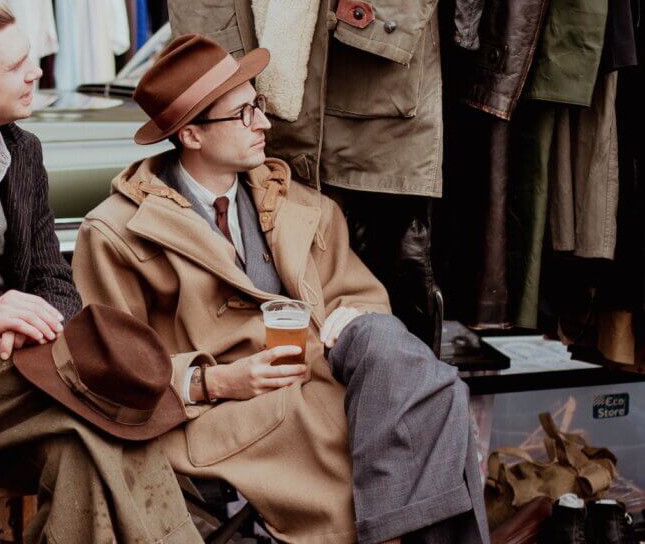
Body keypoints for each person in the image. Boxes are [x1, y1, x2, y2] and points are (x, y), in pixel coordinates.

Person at [73, 34, 491, 544]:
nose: (265, 124)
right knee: (415, 412)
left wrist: (354, 314)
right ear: (191, 135)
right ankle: (394, 531)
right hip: (225, 412)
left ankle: (387, 530)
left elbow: (357, 293)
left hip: (322, 374)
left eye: (259, 105)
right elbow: (113, 371)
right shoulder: (117, 233)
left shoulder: (300, 205)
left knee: (430, 380)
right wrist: (218, 380)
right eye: (243, 113)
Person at [0, 0, 202, 543]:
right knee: (116, 404)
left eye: (31, 57)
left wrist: (40, 324)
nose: (36, 72)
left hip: (20, 370)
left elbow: (55, 278)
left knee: (84, 447)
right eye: (14, 65)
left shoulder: (21, 150)